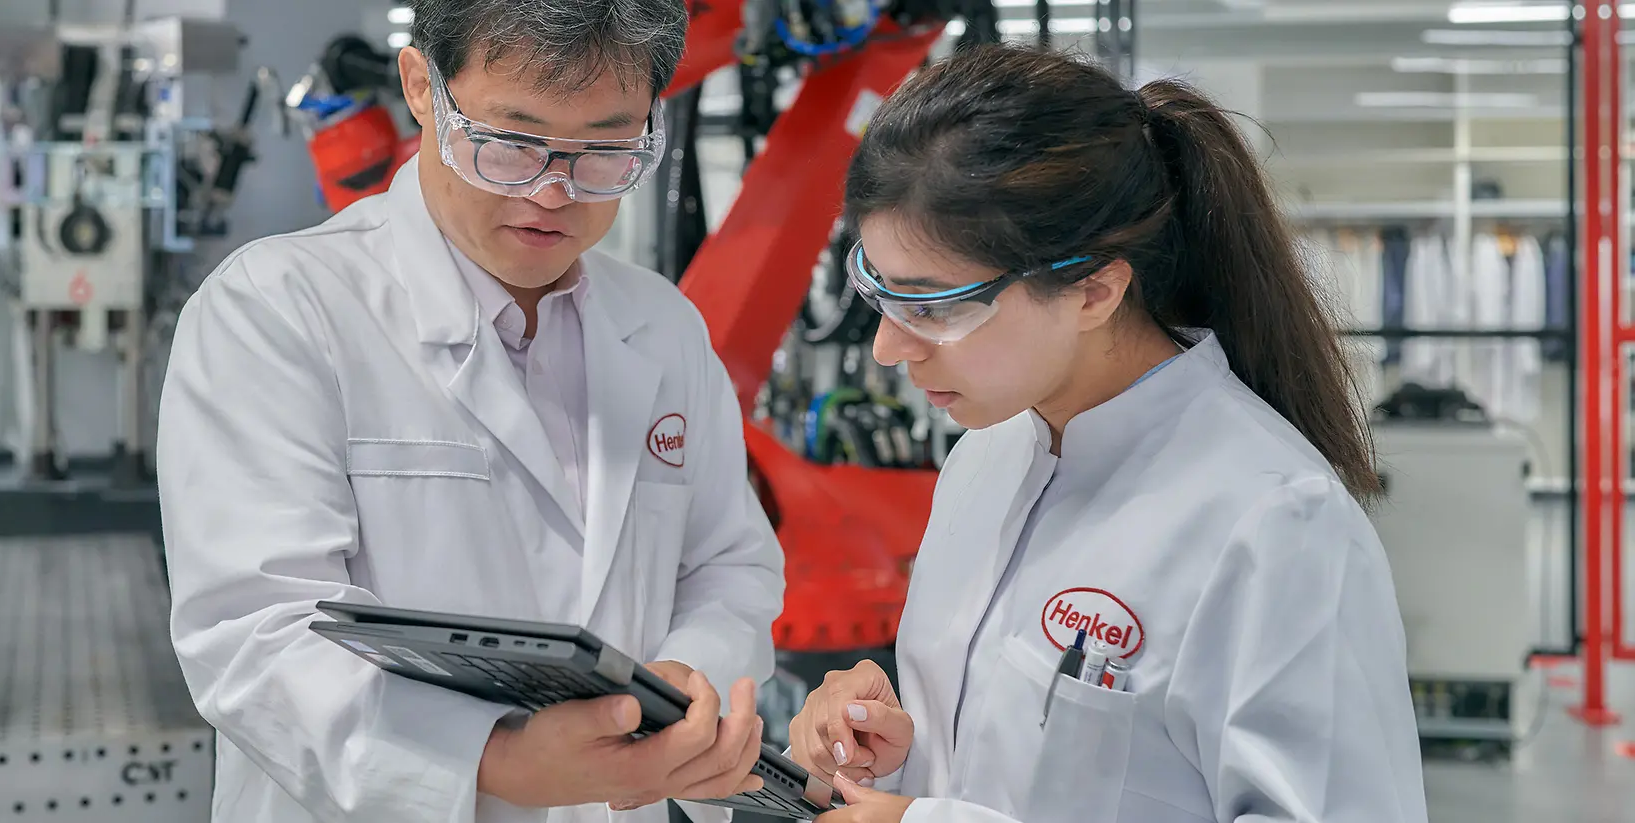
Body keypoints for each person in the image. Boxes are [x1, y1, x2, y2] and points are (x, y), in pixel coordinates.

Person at [157, 2, 787, 821]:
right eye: (514, 143)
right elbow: (253, 636)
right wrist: (496, 760)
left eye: (603, 149)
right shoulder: (277, 311)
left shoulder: (663, 327)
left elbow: (729, 566)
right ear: (422, 87)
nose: (554, 192)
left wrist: (679, 690)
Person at [786, 45, 1430, 823]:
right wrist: (885, 742)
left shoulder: (1273, 522)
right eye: (880, 289)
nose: (890, 347)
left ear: (1095, 288)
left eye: (935, 305)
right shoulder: (984, 461)